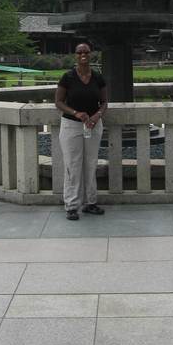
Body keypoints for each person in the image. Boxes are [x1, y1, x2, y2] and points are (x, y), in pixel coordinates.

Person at [55, 42, 108, 221]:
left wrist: (96, 116)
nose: (83, 55)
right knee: (72, 165)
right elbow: (59, 102)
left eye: (86, 52)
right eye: (79, 52)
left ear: (91, 54)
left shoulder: (98, 77)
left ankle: (90, 202)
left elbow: (104, 103)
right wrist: (76, 113)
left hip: (93, 125)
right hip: (71, 126)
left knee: (91, 163)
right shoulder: (67, 77)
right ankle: (71, 205)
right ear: (75, 55)